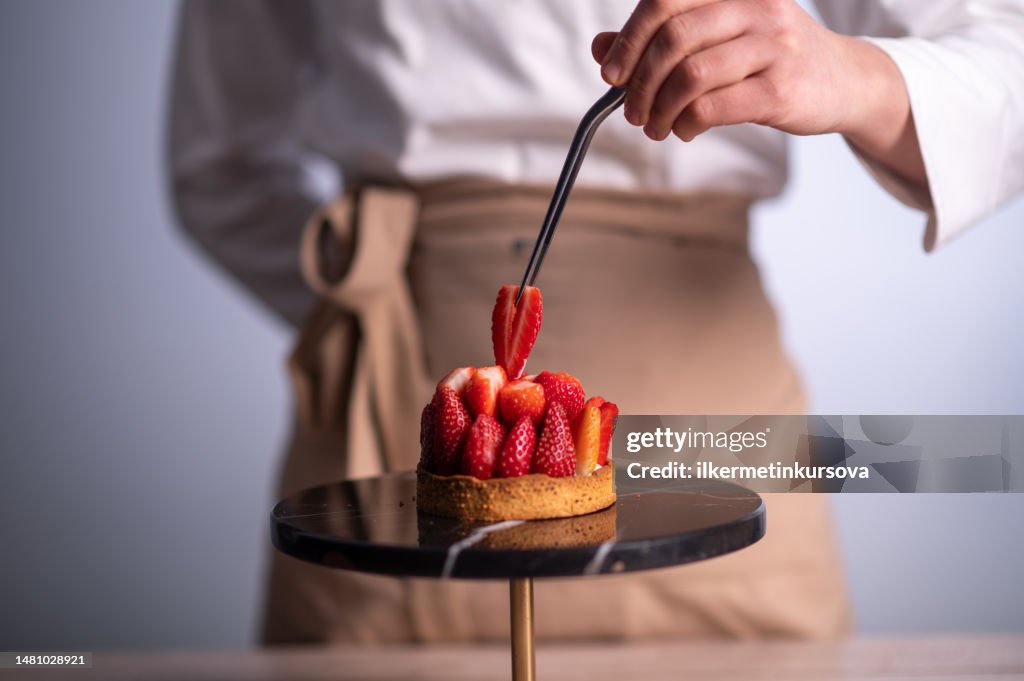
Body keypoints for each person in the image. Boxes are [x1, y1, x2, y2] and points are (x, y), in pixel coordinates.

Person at [168, 0, 1024, 644]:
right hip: (392, 428)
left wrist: (853, 72)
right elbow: (218, 163)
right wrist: (375, 314)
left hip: (709, 432)